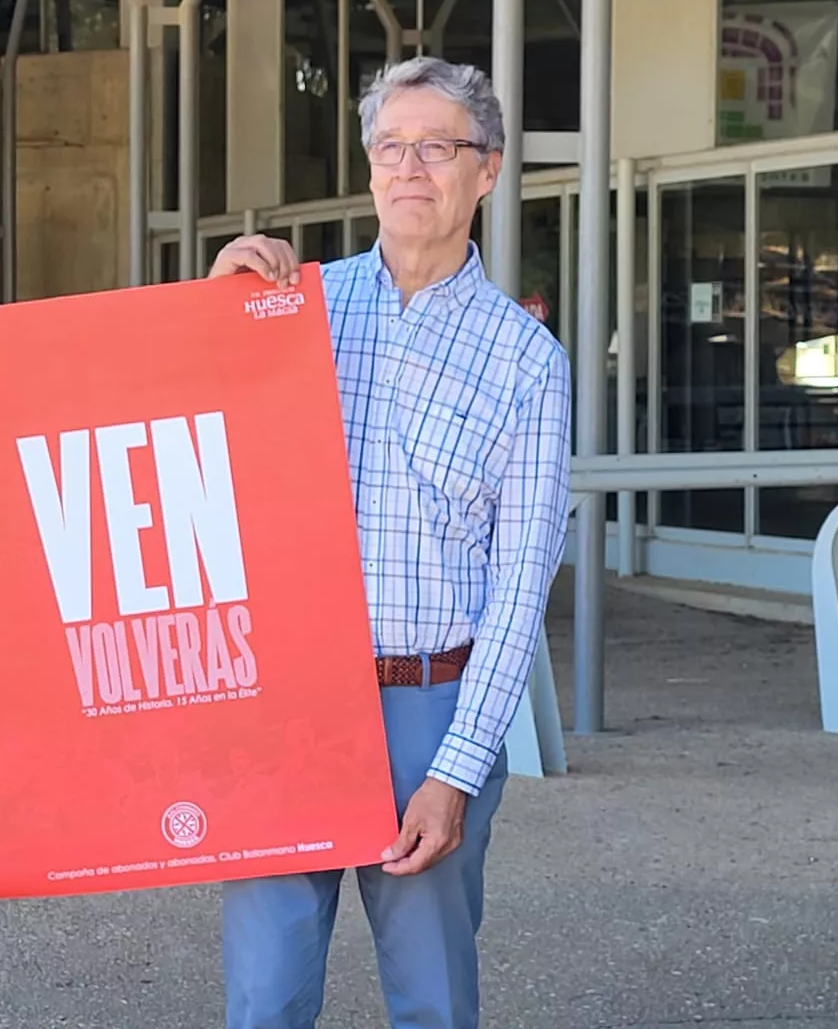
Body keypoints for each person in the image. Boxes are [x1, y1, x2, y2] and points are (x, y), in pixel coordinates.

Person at [207, 55, 573, 1028]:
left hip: (431, 702)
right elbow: (192, 449)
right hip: (285, 698)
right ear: (369, 168)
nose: (411, 168)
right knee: (264, 996)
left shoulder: (526, 362)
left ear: (486, 170)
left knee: (431, 999)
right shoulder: (289, 309)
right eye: (390, 147)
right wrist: (211, 311)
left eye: (438, 147)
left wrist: (455, 770)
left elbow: (519, 587)